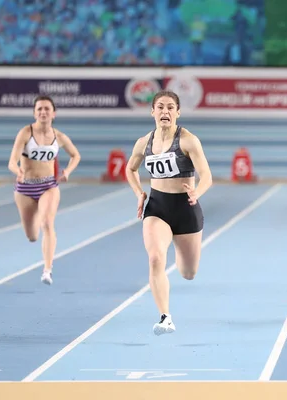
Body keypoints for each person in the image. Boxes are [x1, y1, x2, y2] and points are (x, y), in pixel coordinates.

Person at [125, 90, 213, 335]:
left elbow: (206, 176)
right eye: (160, 107)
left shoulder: (188, 140)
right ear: (152, 111)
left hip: (186, 209)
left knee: (188, 273)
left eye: (170, 107)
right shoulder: (144, 143)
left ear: (178, 112)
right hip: (158, 208)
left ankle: (177, 245)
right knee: (155, 258)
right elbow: (130, 169)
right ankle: (165, 317)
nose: (165, 112)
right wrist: (139, 193)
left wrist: (197, 193)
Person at [7, 95, 81, 285]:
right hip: (25, 188)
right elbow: (11, 162)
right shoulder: (25, 133)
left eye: (47, 109)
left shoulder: (60, 137)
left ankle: (47, 270)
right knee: (32, 235)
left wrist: (67, 171)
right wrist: (19, 171)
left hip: (48, 185)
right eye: (39, 109)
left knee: (47, 223)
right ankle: (36, 224)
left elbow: (76, 155)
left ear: (53, 114)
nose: (43, 112)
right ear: (34, 113)